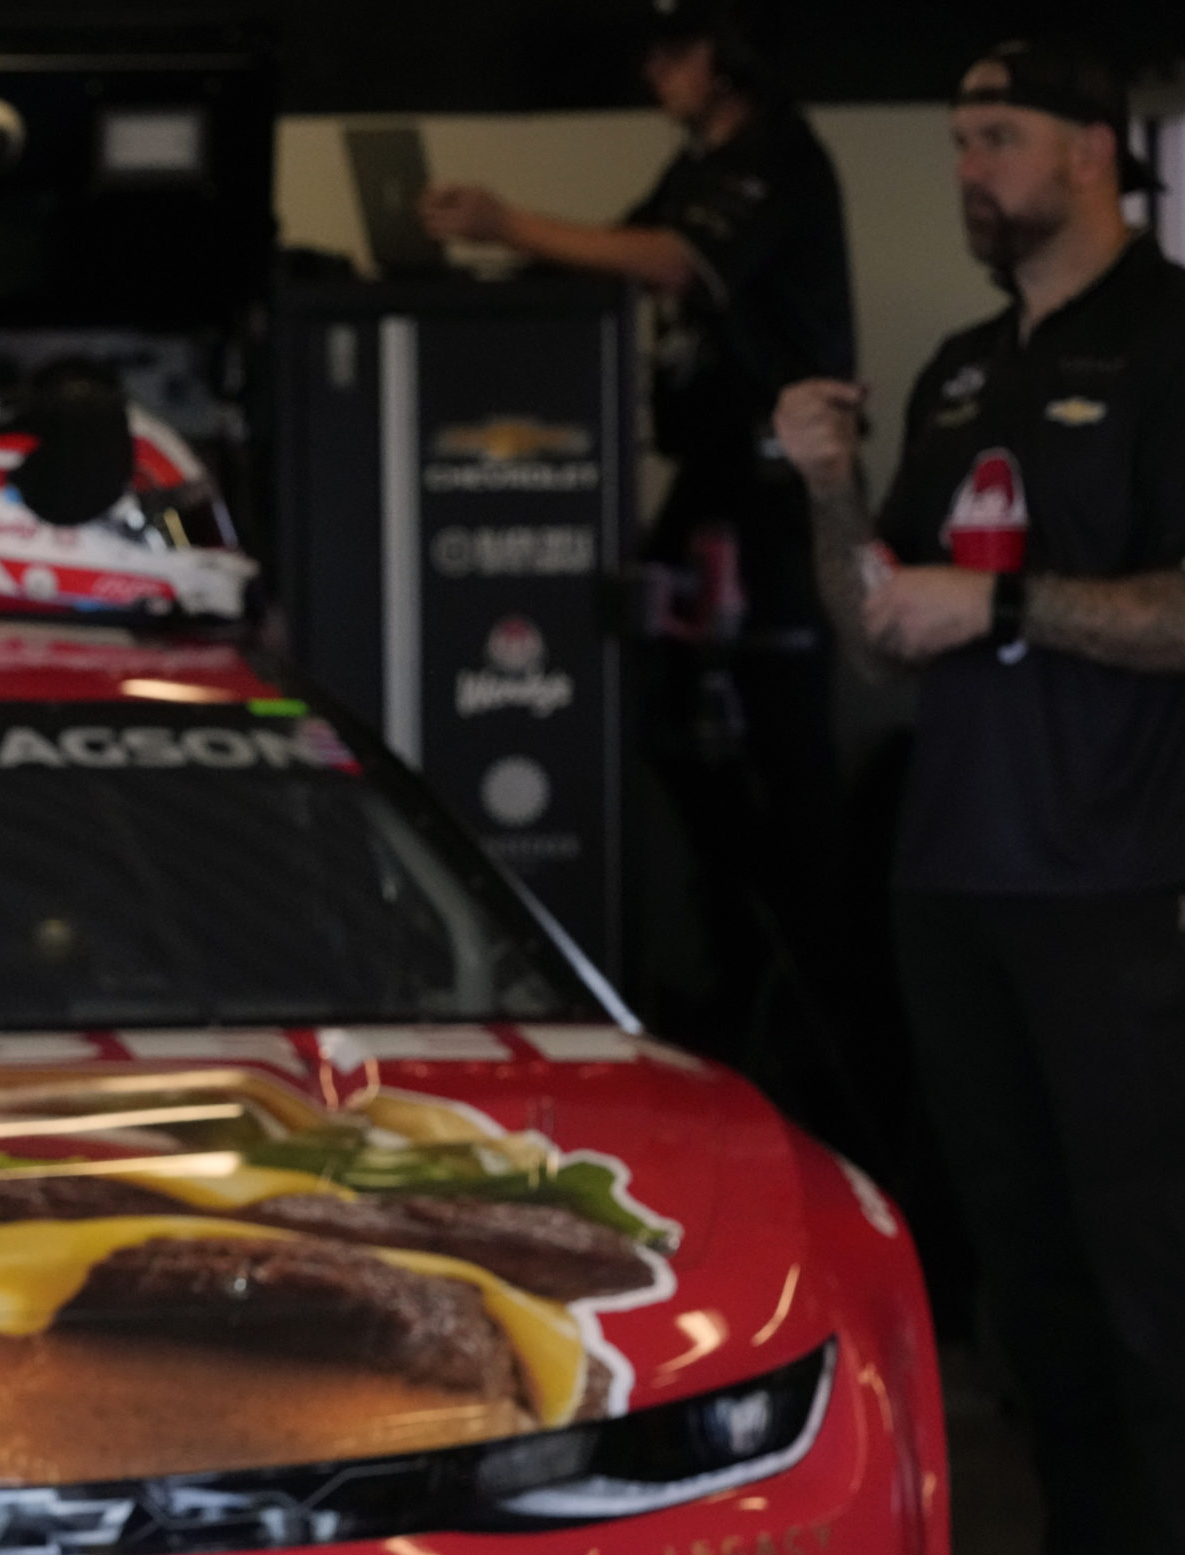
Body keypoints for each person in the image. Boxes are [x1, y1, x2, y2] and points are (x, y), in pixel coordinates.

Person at [777, 43, 1185, 1555]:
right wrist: (835, 492)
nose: (970, 167)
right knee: (1034, 1312)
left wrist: (1007, 604)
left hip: (1125, 895)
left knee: (1162, 1305)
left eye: (1000, 137)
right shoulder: (971, 371)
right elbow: (880, 622)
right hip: (961, 885)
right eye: (960, 139)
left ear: (1099, 154)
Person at [420, 0, 863, 1130]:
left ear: (733, 54)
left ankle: (830, 1055)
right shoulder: (696, 163)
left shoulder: (773, 156)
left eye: (677, 47)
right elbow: (615, 257)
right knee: (678, 738)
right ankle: (724, 994)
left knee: (783, 780)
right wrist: (490, 250)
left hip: (771, 500)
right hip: (710, 489)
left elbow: (670, 264)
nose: (654, 68)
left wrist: (506, 219)